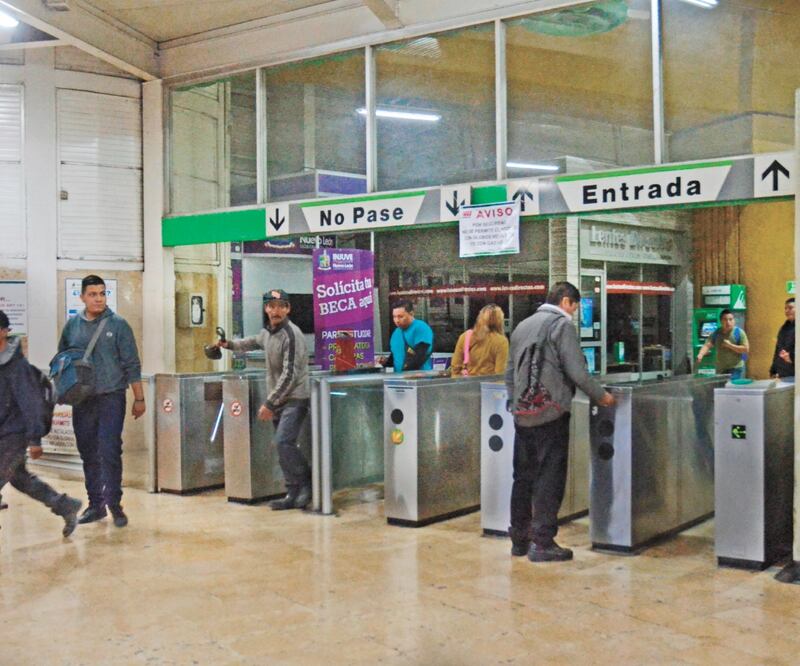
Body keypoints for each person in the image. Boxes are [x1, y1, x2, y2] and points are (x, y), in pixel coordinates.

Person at [506, 282, 615, 563]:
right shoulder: (561, 326)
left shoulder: (522, 325)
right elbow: (576, 370)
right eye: (575, 306)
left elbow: (510, 372)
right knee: (549, 476)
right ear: (566, 301)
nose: (575, 312)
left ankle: (520, 538)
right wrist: (600, 396)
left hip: (523, 414)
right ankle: (542, 543)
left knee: (523, 476)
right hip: (550, 413)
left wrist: (515, 403)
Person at [57, 275, 145, 528]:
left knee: (109, 450)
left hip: (111, 396)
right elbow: (62, 359)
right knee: (88, 452)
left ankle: (114, 504)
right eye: (93, 294)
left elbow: (132, 364)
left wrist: (139, 398)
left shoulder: (118, 325)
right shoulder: (72, 326)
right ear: (82, 296)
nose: (98, 298)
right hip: (82, 400)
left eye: (102, 294)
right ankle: (96, 505)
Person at [219, 289, 311, 510]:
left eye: (281, 306)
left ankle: (306, 484)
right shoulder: (268, 333)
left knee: (283, 441)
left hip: (295, 397)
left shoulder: (292, 334)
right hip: (280, 399)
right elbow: (252, 342)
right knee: (282, 445)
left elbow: (291, 374)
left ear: (288, 309)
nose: (275, 310)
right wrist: (229, 344)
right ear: (266, 309)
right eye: (271, 306)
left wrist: (270, 402)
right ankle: (292, 492)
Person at [0, 310, 82, 537]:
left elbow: (31, 405)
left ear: (5, 332)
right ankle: (64, 505)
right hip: (3, 433)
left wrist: (35, 439)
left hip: (14, 435)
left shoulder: (17, 368)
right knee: (20, 479)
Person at [450, 304, 509, 377]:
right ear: (499, 321)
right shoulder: (501, 341)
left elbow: (455, 367)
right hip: (488, 386)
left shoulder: (465, 336)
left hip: (466, 385)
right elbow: (500, 373)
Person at [379, 302, 434, 373]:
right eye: (394, 317)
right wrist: (385, 362)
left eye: (400, 316)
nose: (397, 320)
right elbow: (396, 357)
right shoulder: (396, 332)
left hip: (419, 378)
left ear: (411, 314)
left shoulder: (420, 328)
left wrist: (404, 373)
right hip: (400, 379)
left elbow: (419, 356)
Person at [696, 309, 749, 379]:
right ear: (721, 321)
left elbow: (745, 349)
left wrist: (730, 345)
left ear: (734, 320)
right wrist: (701, 354)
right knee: (721, 387)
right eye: (725, 320)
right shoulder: (717, 333)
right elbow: (707, 345)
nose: (728, 322)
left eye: (730, 319)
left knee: (731, 387)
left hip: (735, 368)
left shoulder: (739, 332)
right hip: (721, 368)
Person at [770, 297, 795, 379]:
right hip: (783, 374)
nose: (787, 311)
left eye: (790, 308)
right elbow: (778, 349)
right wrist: (773, 369)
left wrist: (791, 357)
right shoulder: (783, 328)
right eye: (785, 308)